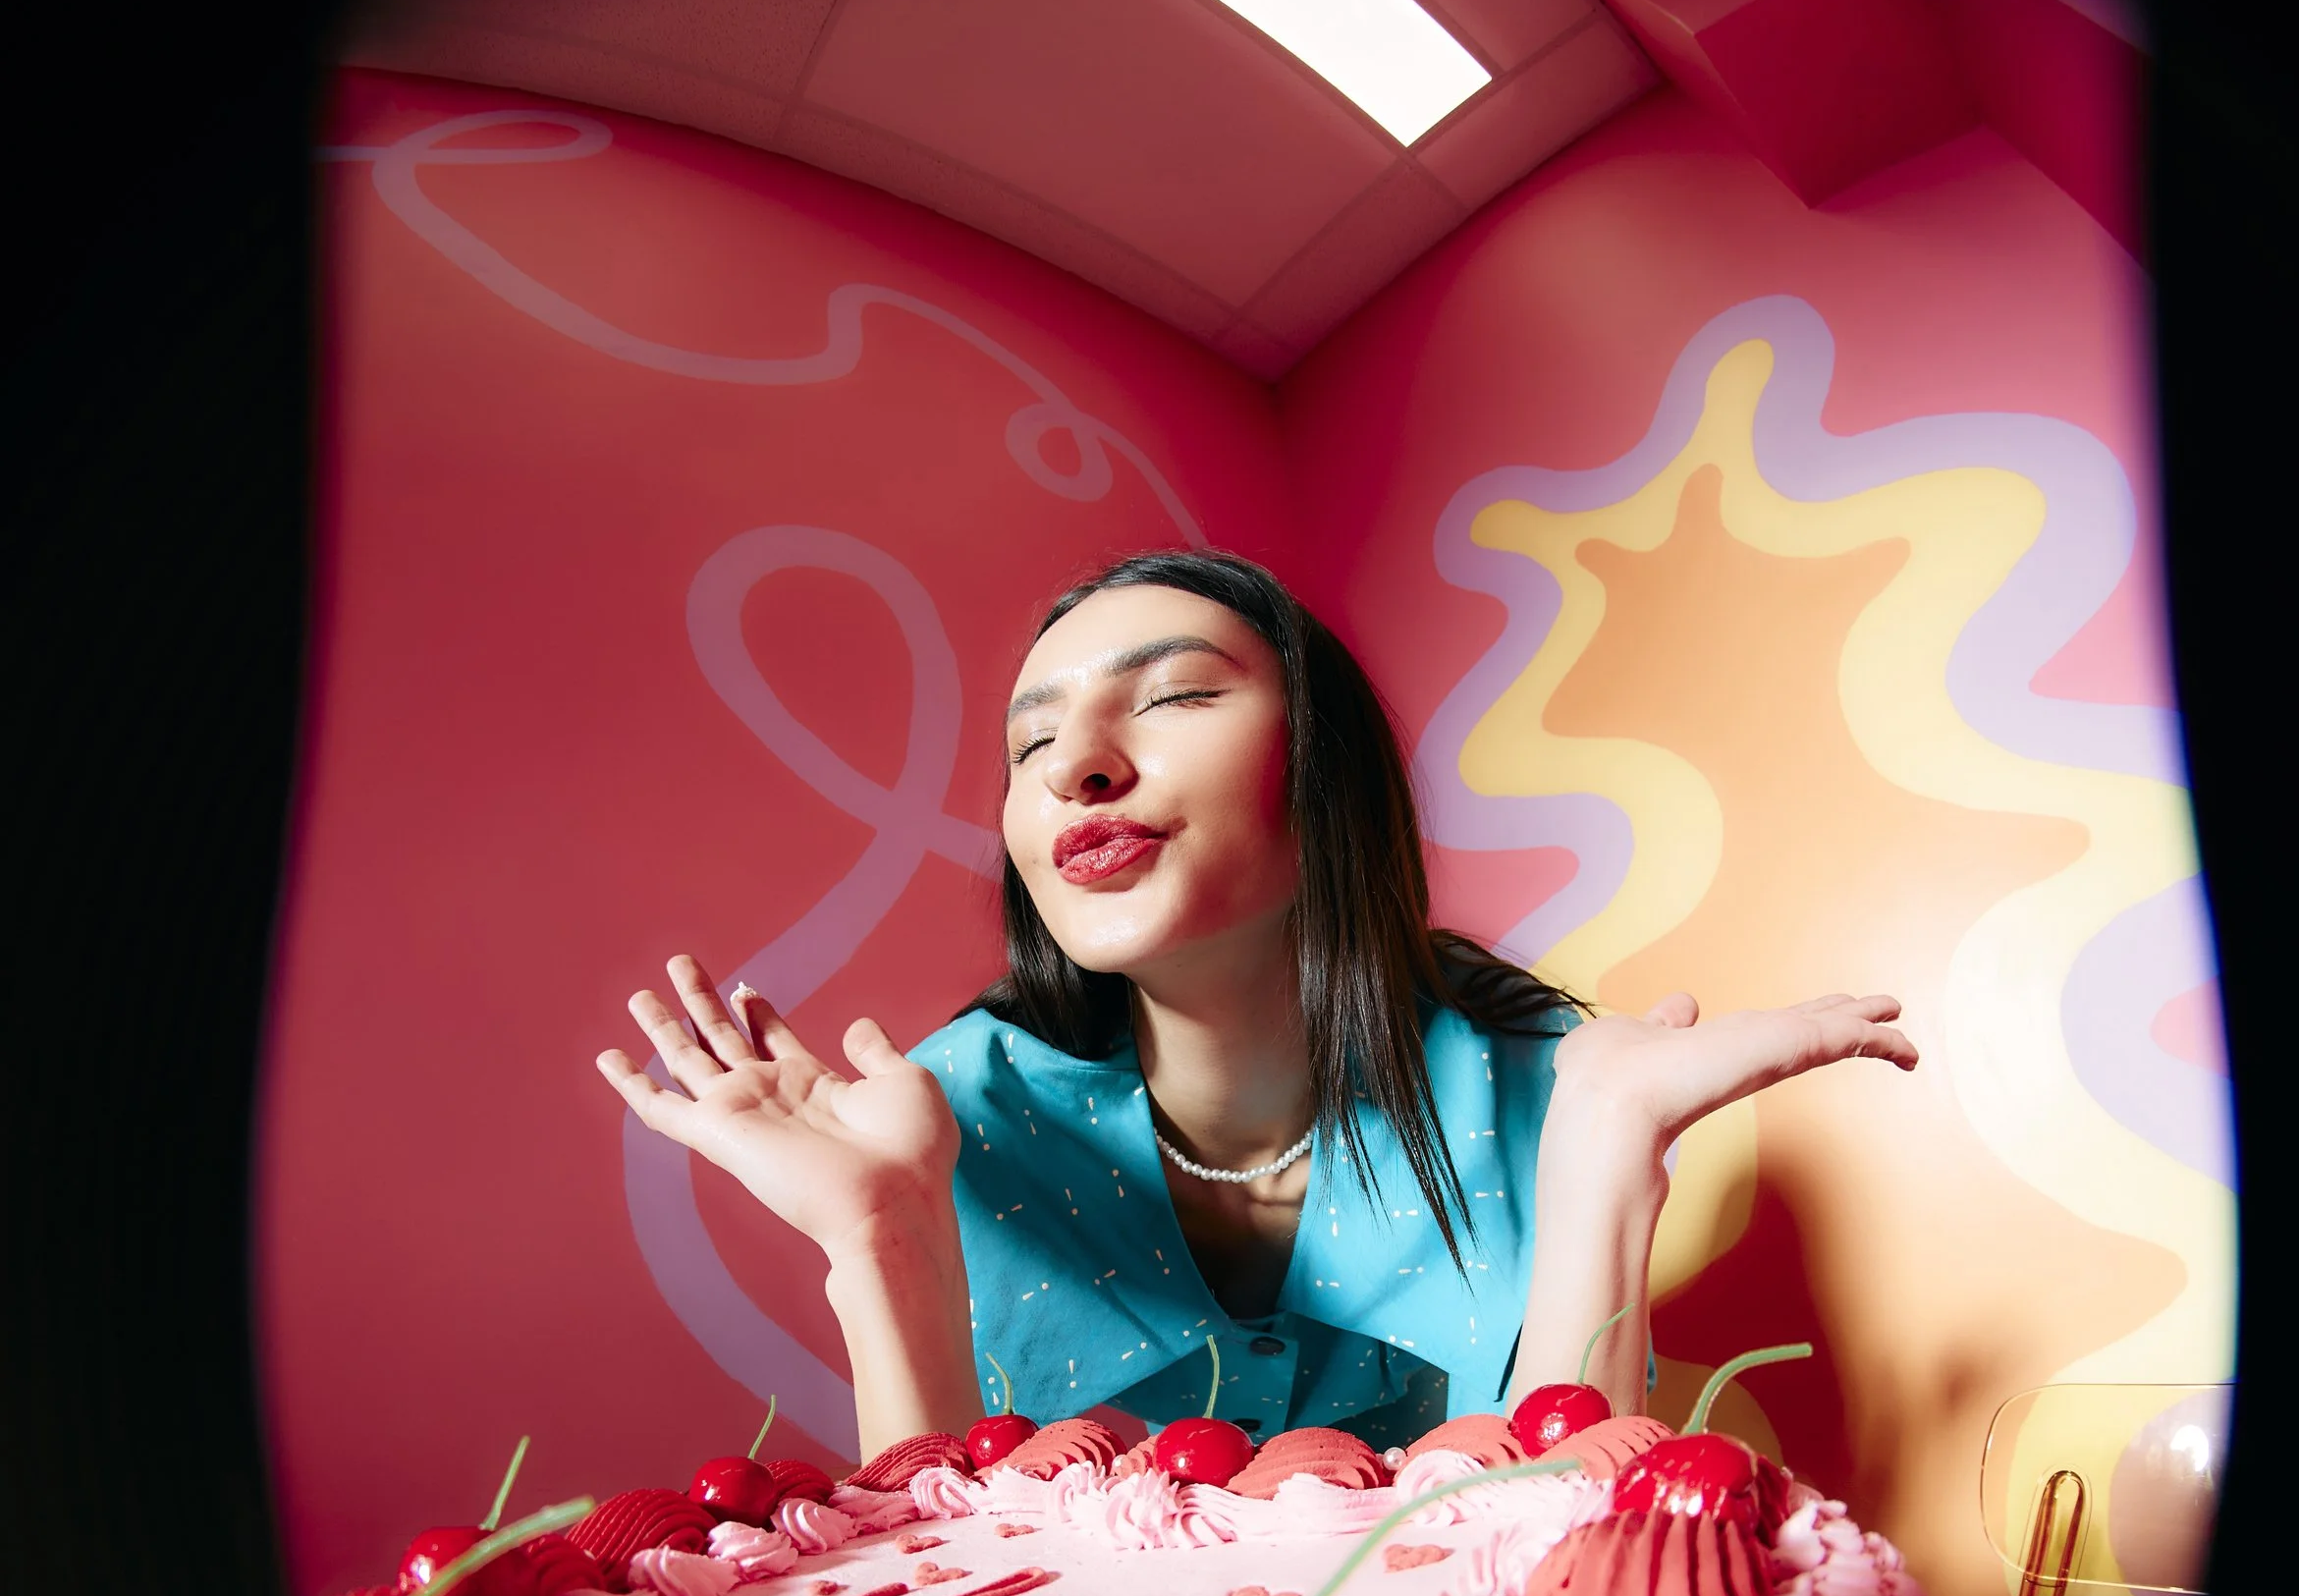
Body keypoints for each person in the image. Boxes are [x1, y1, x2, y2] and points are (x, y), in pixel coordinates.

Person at [596, 549, 1917, 1460]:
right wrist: (879, 1232)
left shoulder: (1548, 1084)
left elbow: (1557, 1573)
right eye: (1030, 745)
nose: (1078, 769)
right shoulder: (938, 1119)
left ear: (1327, 768)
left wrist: (1608, 1163)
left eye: (1168, 696)